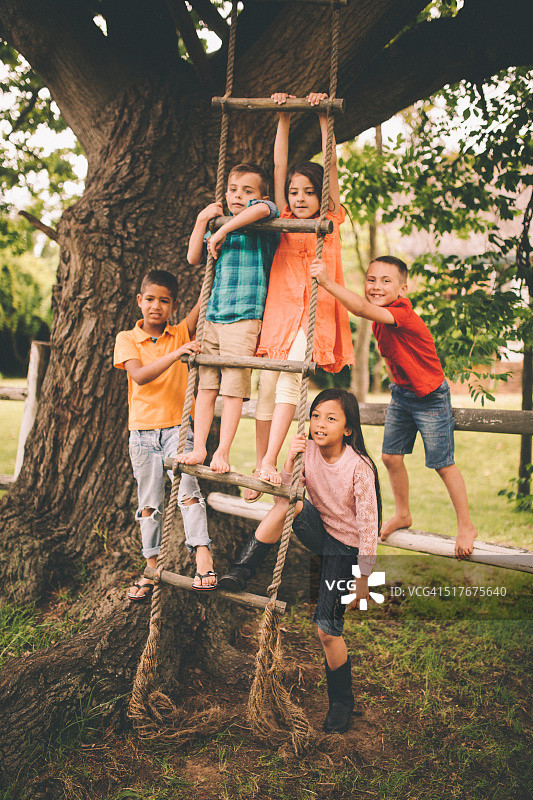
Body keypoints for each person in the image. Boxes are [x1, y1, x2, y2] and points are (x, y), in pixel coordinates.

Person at [220, 388, 381, 734]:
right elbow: (291, 491)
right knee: (285, 502)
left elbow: (369, 526)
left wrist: (364, 577)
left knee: (326, 630)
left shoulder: (359, 467)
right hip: (319, 529)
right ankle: (241, 570)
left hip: (346, 549)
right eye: (315, 416)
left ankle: (342, 702)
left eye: (331, 418)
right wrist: (289, 461)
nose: (319, 424)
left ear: (348, 429)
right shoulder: (306, 449)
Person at [310, 254, 478, 559]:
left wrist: (327, 282)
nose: (376, 286)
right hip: (402, 394)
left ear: (402, 289)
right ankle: (403, 514)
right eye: (371, 280)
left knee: (442, 463)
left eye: (386, 281)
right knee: (389, 457)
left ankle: (466, 525)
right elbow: (390, 354)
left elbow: (359, 308)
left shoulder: (402, 313)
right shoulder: (381, 318)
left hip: (430, 396)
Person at [243, 92, 354, 502]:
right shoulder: (283, 220)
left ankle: (273, 460)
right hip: (279, 314)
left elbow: (333, 169)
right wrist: (284, 118)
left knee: (291, 381)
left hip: (314, 315)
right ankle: (263, 464)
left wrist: (325, 120)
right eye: (294, 191)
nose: (300, 198)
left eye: (309, 191)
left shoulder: (329, 218)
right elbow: (277, 167)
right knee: (267, 385)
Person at [114, 269, 217, 599]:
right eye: (150, 299)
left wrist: (215, 256)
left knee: (188, 491)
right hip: (142, 435)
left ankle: (203, 557)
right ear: (139, 301)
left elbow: (204, 299)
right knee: (149, 504)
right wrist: (177, 354)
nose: (156, 306)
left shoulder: (181, 330)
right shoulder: (127, 339)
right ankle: (151, 568)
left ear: (173, 305)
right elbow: (141, 376)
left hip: (177, 429)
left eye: (164, 301)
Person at [177, 163, 279, 474]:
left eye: (248, 191)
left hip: (244, 317)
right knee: (206, 387)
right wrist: (202, 221)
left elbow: (264, 208)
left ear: (260, 195)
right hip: (213, 316)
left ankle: (222, 451)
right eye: (233, 190)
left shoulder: (261, 220)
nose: (239, 196)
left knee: (233, 389)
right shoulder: (217, 222)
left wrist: (222, 229)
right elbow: (193, 257)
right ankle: (199, 448)